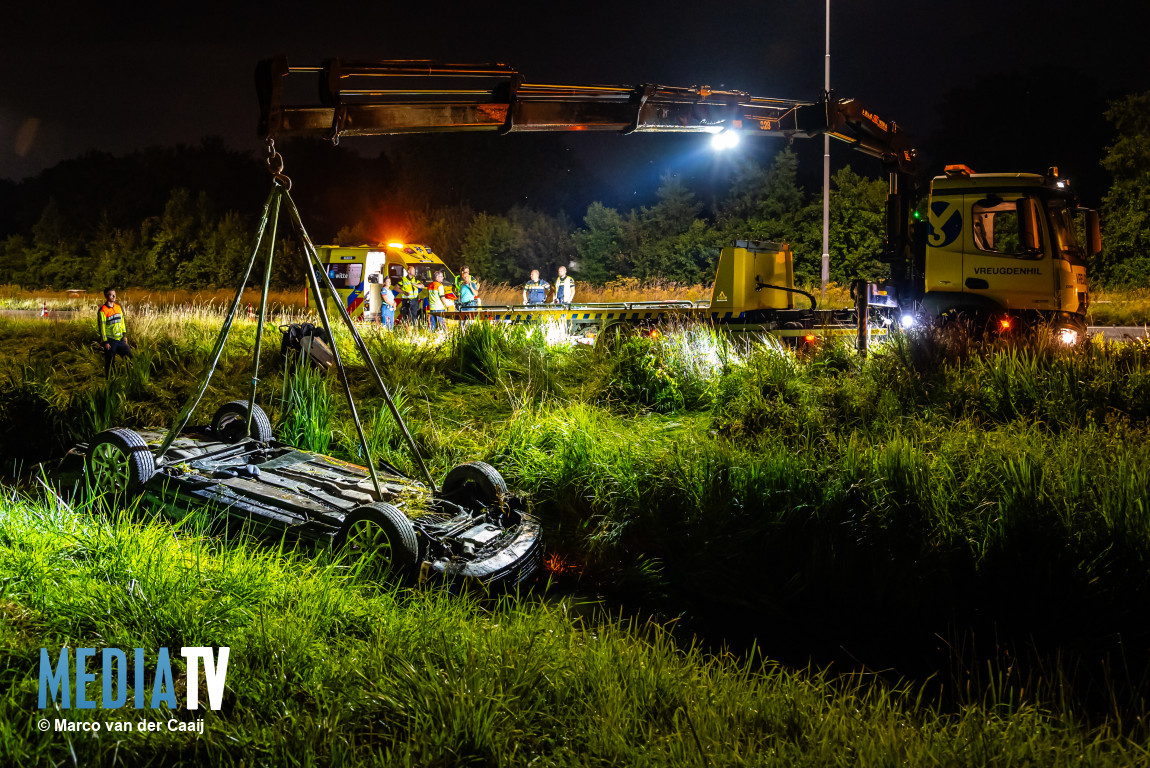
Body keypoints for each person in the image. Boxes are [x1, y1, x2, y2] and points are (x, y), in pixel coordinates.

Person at [97, 287, 132, 376]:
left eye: (114, 294)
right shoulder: (103, 310)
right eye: (111, 294)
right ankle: (110, 381)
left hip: (120, 340)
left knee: (129, 358)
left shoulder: (118, 307)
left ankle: (130, 377)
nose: (114, 296)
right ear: (106, 296)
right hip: (110, 340)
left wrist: (124, 336)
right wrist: (105, 341)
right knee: (110, 362)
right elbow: (102, 327)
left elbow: (122, 322)